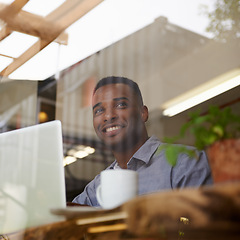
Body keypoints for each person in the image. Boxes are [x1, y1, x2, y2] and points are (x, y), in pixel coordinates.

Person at [72, 76, 213, 206]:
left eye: (120, 105)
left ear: (143, 113)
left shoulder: (186, 163)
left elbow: (201, 227)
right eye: (99, 111)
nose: (108, 116)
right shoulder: (95, 188)